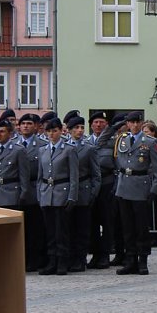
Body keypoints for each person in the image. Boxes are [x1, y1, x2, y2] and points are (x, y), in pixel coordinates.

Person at [114, 111, 157, 275]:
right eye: (132, 122)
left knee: (141, 227)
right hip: (124, 186)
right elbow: (118, 161)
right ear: (127, 124)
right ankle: (130, 260)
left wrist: (154, 190)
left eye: (137, 122)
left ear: (141, 123)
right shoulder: (122, 140)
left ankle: (142, 260)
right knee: (127, 227)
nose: (135, 125)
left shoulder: (149, 142)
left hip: (140, 186)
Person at [36, 117, 79, 276]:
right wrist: (40, 194)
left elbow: (74, 176)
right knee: (50, 231)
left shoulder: (69, 149)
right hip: (47, 193)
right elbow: (40, 176)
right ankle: (52, 261)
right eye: (49, 131)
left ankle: (62, 261)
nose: (51, 134)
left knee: (62, 231)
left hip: (62, 192)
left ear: (61, 131)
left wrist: (72, 196)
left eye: (54, 131)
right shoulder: (43, 150)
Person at [67, 115, 101, 272]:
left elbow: (96, 174)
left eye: (81, 127)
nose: (80, 131)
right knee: (69, 228)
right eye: (76, 128)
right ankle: (70, 257)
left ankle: (80, 259)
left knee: (82, 228)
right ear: (69, 130)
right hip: (67, 192)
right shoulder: (64, 146)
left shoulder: (89, 148)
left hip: (83, 191)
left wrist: (93, 193)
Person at [88, 112, 123, 269]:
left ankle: (104, 255)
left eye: (102, 122)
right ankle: (95, 254)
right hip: (90, 186)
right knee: (92, 223)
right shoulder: (87, 142)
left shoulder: (113, 142)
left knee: (108, 222)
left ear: (106, 125)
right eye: (96, 122)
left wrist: (115, 186)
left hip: (107, 184)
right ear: (91, 125)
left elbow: (118, 165)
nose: (98, 125)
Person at [16, 113, 47, 271]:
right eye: (23, 124)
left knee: (36, 227)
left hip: (35, 188)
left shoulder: (42, 144)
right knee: (22, 228)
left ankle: (36, 259)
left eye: (29, 123)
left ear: (35, 126)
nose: (26, 126)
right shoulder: (14, 144)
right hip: (18, 189)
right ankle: (23, 258)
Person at [0, 120, 30, 209]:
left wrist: (23, 193)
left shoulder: (18, 150)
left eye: (2, 131)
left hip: (11, 194)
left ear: (10, 134)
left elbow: (24, 175)